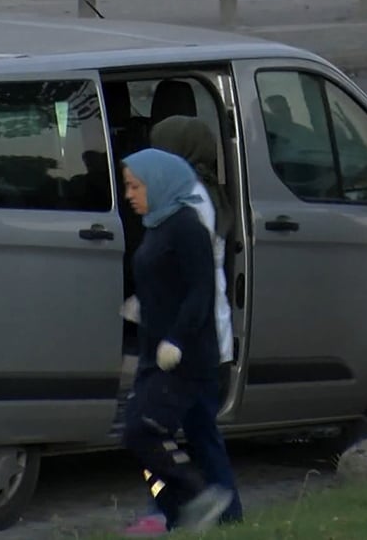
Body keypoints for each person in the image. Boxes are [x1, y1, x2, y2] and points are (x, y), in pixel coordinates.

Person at [122, 118, 243, 536]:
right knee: (157, 435)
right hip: (167, 340)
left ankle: (218, 513)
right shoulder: (165, 210)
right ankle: (180, 511)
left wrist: (172, 332)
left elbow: (199, 283)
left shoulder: (192, 207)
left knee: (190, 434)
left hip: (194, 344)